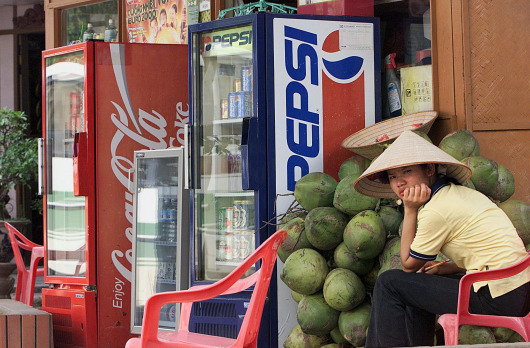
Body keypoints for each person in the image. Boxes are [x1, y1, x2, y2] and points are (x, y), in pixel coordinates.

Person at [352, 130, 530, 348]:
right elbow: (490, 253)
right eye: (392, 177)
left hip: (498, 296)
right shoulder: (456, 194)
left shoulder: (436, 210)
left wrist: (410, 210)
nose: (399, 183)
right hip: (516, 288)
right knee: (418, 284)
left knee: (389, 283)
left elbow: (407, 264)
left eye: (406, 172)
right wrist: (449, 269)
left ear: (429, 169)